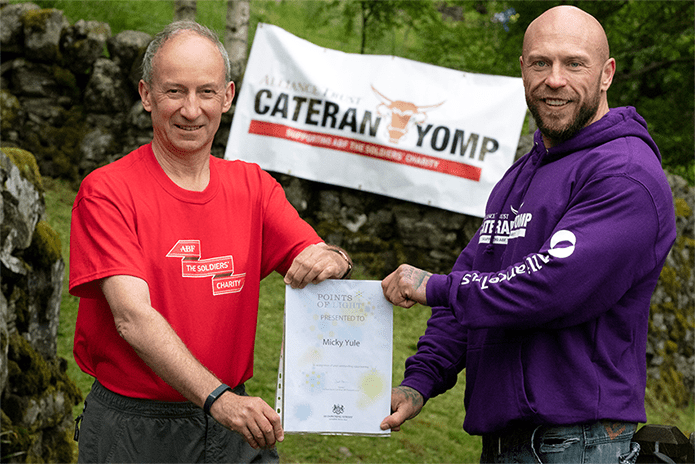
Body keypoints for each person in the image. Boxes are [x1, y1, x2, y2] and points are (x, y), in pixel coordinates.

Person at [379, 5, 676, 463]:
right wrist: (421, 380)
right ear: (522, 70)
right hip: (509, 444)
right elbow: (476, 277)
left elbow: (548, 287)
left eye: (574, 63)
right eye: (540, 62)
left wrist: (432, 287)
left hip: (577, 444)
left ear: (606, 74)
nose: (554, 79)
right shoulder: (521, 174)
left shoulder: (626, 174)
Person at [69, 21, 352, 463]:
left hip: (234, 424)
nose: (191, 110)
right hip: (139, 429)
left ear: (228, 96)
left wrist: (333, 259)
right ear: (146, 95)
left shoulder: (253, 187)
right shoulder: (108, 192)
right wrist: (218, 399)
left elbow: (314, 254)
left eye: (206, 92)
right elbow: (132, 317)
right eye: (174, 92)